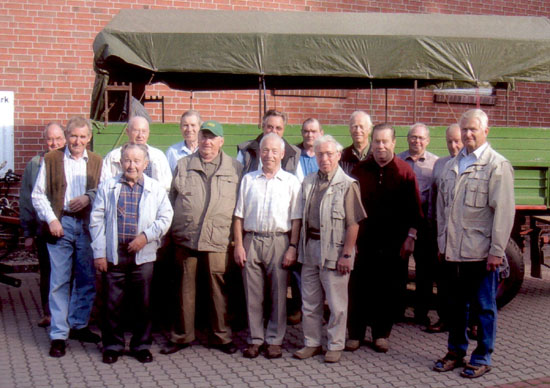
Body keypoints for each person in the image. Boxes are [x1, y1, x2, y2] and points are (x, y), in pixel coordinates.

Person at [433, 109, 515, 379]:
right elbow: (442, 208)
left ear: (485, 132)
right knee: (455, 306)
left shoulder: (496, 165)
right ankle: (456, 352)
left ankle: (482, 356)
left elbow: (503, 213)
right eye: (464, 129)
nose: (468, 134)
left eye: (473, 130)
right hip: (454, 252)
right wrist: (442, 243)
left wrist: (497, 251)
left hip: (480, 254)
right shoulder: (452, 164)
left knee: (484, 308)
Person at [162, 120, 242, 356]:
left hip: (218, 237)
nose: (207, 141)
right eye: (204, 136)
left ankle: (221, 336)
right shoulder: (183, 165)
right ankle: (182, 336)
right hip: (187, 236)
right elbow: (172, 198)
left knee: (218, 290)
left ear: (221, 141)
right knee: (184, 289)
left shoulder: (235, 168)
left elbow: (240, 205)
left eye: (212, 137)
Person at [90, 143, 173, 364]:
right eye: (127, 160)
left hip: (143, 253)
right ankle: (112, 345)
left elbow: (165, 218)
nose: (132, 165)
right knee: (111, 302)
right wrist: (99, 253)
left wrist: (145, 237)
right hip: (114, 253)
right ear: (121, 162)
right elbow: (96, 221)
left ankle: (141, 345)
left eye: (137, 161)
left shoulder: (155, 188)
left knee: (143, 303)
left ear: (145, 164)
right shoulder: (107, 187)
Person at [346, 124, 422, 353]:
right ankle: (355, 334)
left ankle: (381, 334)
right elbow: (349, 208)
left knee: (387, 290)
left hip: (393, 244)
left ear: (393, 143)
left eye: (385, 141)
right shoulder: (360, 170)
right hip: (364, 242)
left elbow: (414, 209)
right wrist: (351, 242)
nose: (380, 146)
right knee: (358, 289)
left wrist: (410, 237)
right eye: (377, 141)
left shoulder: (405, 171)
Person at [32, 116, 103, 358]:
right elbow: (38, 194)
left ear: (89, 138)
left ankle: (79, 325)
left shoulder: (96, 161)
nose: (78, 141)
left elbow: (102, 193)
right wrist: (52, 219)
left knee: (86, 279)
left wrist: (89, 198)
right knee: (60, 281)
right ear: (67, 135)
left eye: (83, 137)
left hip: (86, 227)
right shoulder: (51, 159)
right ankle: (59, 334)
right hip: (60, 227)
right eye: (74, 136)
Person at [293, 135, 366, 363]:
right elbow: (298, 218)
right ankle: (312, 343)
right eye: (321, 154)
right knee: (310, 301)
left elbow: (353, 224)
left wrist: (347, 254)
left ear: (338, 155)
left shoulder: (348, 184)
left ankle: (335, 344)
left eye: (329, 154)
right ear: (315, 156)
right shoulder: (308, 182)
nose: (325, 158)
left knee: (336, 304)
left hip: (335, 251)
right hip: (310, 248)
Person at [233, 133, 302, 359]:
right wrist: (238, 245)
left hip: (279, 240)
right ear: (259, 153)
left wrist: (292, 246)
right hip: (251, 239)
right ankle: (255, 339)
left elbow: (296, 219)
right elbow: (239, 216)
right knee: (252, 294)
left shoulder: (292, 182)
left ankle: (275, 340)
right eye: (265, 150)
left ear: (282, 154)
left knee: (278, 293)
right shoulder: (248, 179)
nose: (269, 155)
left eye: (274, 151)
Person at [19, 122, 66, 328]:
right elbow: (27, 199)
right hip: (44, 229)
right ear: (45, 140)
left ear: (64, 139)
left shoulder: (70, 160)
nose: (54, 143)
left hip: (69, 227)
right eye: (50, 139)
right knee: (48, 271)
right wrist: (28, 231)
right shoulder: (35, 164)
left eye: (58, 138)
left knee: (70, 272)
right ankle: (48, 313)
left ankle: (70, 314)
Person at [397, 123, 439, 326]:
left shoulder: (436, 164)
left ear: (428, 140)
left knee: (425, 270)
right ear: (407, 138)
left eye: (421, 138)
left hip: (425, 225)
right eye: (413, 137)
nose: (417, 141)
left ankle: (421, 312)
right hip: (402, 224)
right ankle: (397, 310)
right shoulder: (397, 160)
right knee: (398, 269)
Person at [426, 123, 463, 333]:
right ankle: (444, 318)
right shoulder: (440, 164)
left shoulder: (470, 164)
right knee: (443, 279)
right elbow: (434, 198)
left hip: (463, 234)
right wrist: (433, 226)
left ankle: (473, 323)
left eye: (457, 141)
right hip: (441, 232)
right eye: (450, 141)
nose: (454, 145)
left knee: (466, 282)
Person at [101, 116, 172, 191]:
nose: (140, 135)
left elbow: (167, 187)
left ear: (148, 133)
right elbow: (104, 186)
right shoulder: (113, 157)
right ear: (127, 132)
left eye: (144, 131)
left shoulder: (159, 157)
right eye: (136, 131)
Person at [237, 109, 301, 175]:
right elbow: (236, 178)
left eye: (278, 128)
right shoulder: (246, 150)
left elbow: (299, 182)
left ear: (283, 130)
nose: (274, 131)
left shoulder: (294, 154)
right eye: (270, 127)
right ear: (263, 127)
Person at [339, 111, 372, 175]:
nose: (358, 130)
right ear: (350, 129)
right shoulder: (342, 157)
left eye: (361, 127)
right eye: (355, 126)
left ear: (369, 129)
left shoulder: (377, 155)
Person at [295, 118, 324, 182]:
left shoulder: (326, 155)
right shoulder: (293, 153)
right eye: (306, 131)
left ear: (321, 133)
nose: (310, 135)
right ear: (301, 132)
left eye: (313, 131)